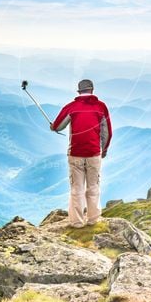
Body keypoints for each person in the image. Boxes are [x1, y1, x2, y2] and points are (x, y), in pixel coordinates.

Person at [50, 79, 112, 228]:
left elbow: (58, 126)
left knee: (76, 188)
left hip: (75, 153)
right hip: (94, 154)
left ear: (79, 92)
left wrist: (53, 127)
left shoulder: (71, 107)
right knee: (93, 187)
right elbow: (107, 132)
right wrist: (103, 150)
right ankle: (93, 219)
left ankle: (77, 222)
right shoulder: (101, 107)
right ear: (92, 90)